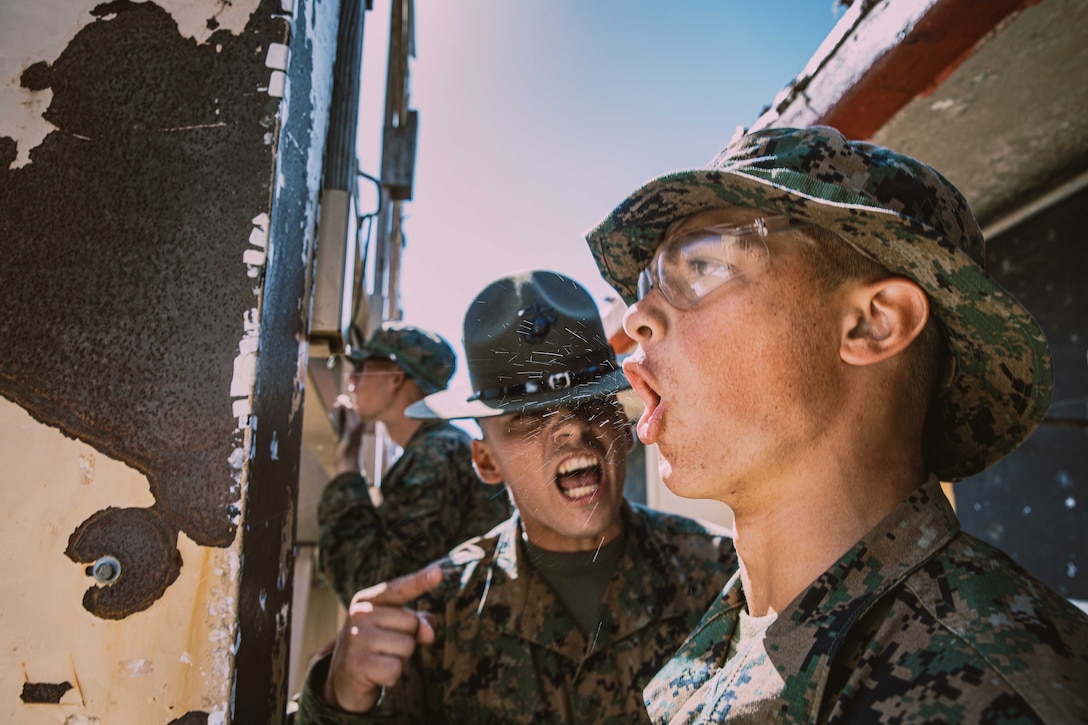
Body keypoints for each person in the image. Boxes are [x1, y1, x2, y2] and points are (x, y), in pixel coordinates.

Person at [583, 125, 1088, 722]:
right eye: (645, 285)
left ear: (872, 324)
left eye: (702, 265)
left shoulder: (998, 694)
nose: (637, 316)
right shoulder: (723, 641)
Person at [296, 270, 737, 723]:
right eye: (528, 414)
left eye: (590, 399)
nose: (569, 426)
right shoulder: (435, 621)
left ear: (624, 428)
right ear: (486, 462)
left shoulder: (727, 580)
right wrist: (338, 700)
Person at [317, 321, 511, 606]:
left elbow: (371, 585)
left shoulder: (437, 454)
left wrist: (347, 462)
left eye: (363, 367)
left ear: (396, 376)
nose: (352, 378)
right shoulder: (441, 448)